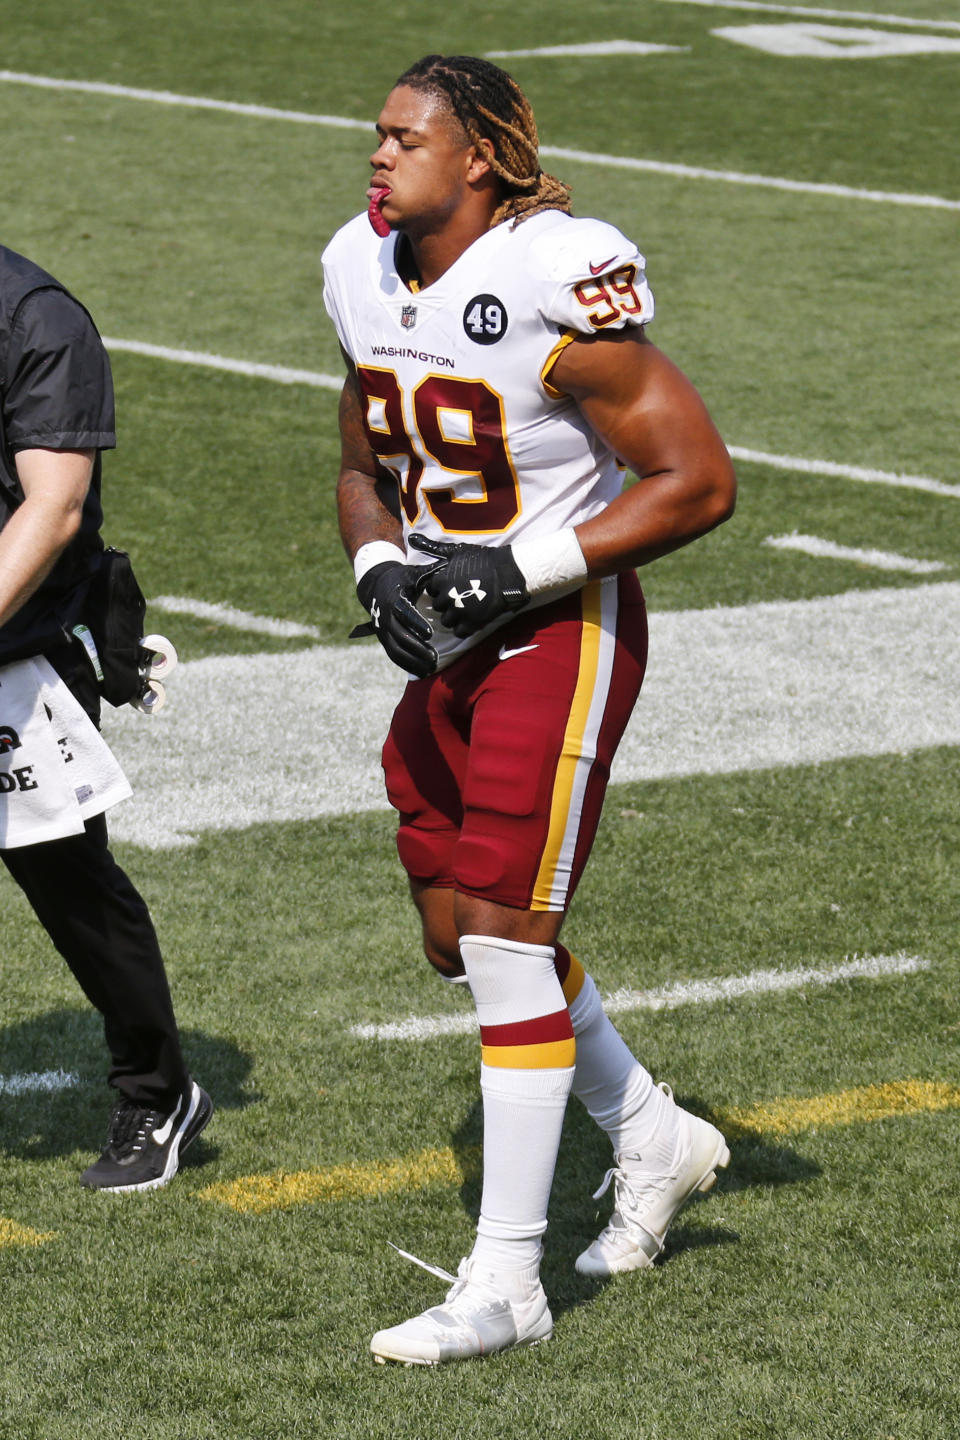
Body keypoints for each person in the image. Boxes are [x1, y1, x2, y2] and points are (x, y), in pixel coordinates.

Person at [323, 53, 737, 1365]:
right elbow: (360, 458)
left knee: (508, 936)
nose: (379, 155)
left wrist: (516, 568)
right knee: (459, 937)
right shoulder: (360, 265)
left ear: (481, 160)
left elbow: (698, 478)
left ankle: (506, 1284)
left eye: (407, 139)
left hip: (557, 632)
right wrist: (382, 565)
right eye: (377, 136)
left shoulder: (550, 275)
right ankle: (652, 1132)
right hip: (445, 640)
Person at [0, 242, 211, 1191]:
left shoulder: (36, 319)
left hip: (21, 652)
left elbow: (54, 507)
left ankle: (157, 1092)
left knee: (69, 884)